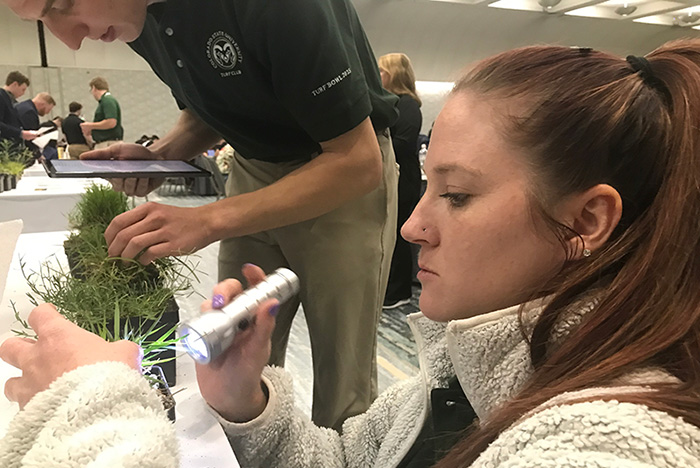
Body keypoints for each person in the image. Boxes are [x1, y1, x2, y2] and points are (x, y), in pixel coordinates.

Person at [4, 38, 700, 467]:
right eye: (428, 189)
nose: (412, 228)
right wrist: (245, 404)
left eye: (457, 196)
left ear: (587, 221)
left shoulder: (612, 444)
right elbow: (348, 458)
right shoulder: (458, 379)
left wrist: (92, 404)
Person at [3, 0, 400, 431]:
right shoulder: (134, 18)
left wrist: (208, 219)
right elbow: (213, 109)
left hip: (338, 173)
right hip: (253, 165)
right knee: (236, 345)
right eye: (40, 21)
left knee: (342, 375)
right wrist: (160, 156)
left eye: (62, 3)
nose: (70, 39)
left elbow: (357, 160)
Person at [378, 53, 423, 309]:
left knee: (398, 236)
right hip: (393, 178)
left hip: (404, 180)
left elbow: (403, 144)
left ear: (394, 74)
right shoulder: (391, 103)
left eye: (382, 71)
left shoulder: (408, 105)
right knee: (389, 235)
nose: (378, 76)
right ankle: (390, 287)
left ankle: (399, 291)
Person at [80, 76, 123, 149]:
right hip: (107, 142)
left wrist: (90, 125)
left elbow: (111, 122)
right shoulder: (105, 101)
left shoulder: (108, 101)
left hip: (108, 144)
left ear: (94, 88)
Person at [0, 71, 36, 144]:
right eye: (23, 89)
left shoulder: (10, 100)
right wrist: (20, 133)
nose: (23, 93)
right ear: (15, 84)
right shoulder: (1, 97)